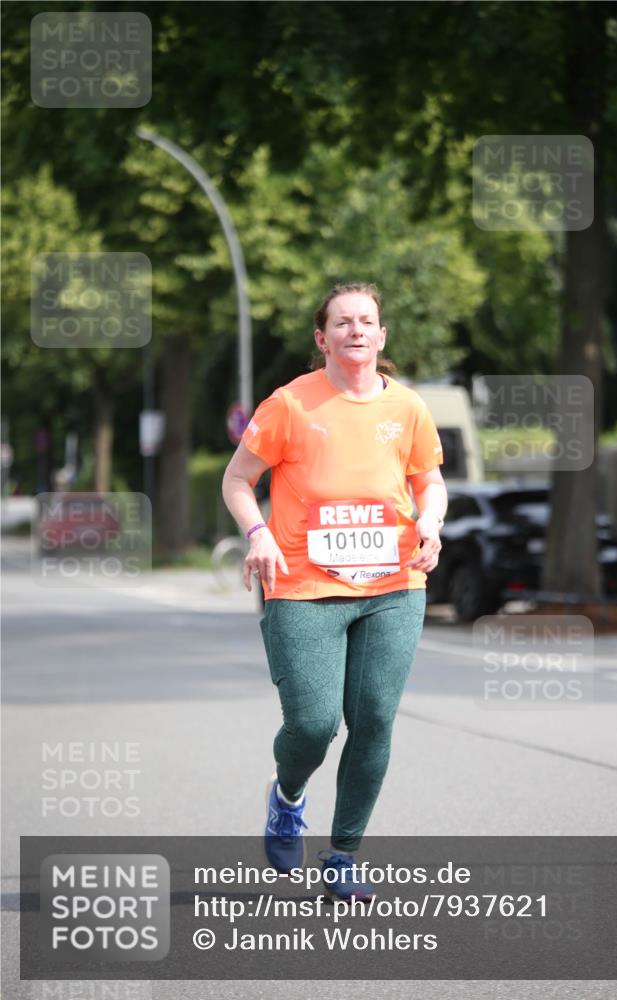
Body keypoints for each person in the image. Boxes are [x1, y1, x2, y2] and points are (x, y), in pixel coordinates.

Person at [222, 282, 447, 902]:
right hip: (301, 585)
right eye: (342, 321)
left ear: (381, 336)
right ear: (322, 338)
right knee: (315, 724)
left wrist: (430, 522)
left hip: (395, 585)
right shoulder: (290, 405)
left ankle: (343, 855)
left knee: (373, 718)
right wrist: (259, 533)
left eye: (366, 320)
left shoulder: (407, 409)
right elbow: (238, 479)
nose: (355, 329)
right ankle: (288, 796)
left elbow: (430, 483)